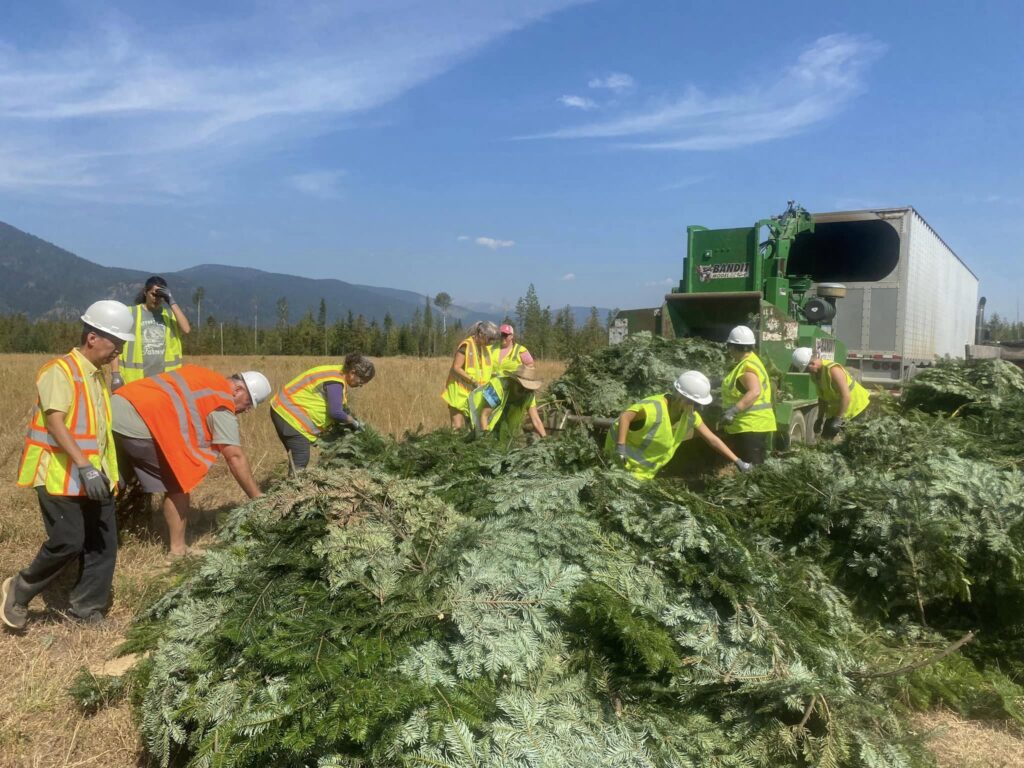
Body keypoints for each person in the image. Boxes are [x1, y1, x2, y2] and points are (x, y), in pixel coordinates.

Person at [2, 300, 135, 630]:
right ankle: (18, 590)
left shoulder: (97, 376)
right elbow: (56, 423)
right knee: (68, 542)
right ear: (92, 337)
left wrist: (105, 472)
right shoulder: (58, 372)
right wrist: (85, 466)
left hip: (94, 476)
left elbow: (99, 431)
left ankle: (86, 610)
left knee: (104, 544)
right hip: (59, 475)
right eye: (114, 344)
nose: (116, 352)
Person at [111, 365, 271, 557]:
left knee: (111, 479)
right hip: (140, 422)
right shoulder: (221, 401)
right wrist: (257, 497)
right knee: (179, 483)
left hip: (114, 408)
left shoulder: (204, 375)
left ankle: (93, 532)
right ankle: (178, 551)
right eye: (248, 404)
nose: (246, 411)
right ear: (238, 390)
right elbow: (234, 456)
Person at [606, 371, 752, 480]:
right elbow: (625, 417)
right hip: (618, 468)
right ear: (681, 397)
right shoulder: (653, 407)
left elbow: (712, 439)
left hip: (643, 474)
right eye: (694, 403)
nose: (695, 407)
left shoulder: (690, 416)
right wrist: (620, 448)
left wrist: (738, 461)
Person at [270, 352, 377, 471]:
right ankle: (293, 488)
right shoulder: (335, 381)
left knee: (296, 458)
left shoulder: (336, 374)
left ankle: (289, 486)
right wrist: (354, 422)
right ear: (352, 373)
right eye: (361, 382)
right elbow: (335, 412)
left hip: (283, 411)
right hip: (289, 416)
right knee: (300, 460)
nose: (360, 386)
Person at [110, 275, 191, 390]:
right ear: (145, 292)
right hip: (135, 381)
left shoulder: (169, 315)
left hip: (165, 382)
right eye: (153, 294)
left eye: (161, 296)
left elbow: (186, 329)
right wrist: (115, 374)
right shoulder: (130, 313)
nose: (156, 299)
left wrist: (171, 300)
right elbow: (115, 345)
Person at [719, 325, 776, 465]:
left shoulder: (747, 367)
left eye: (730, 347)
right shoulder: (752, 361)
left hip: (750, 425)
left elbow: (754, 391)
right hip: (755, 425)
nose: (729, 351)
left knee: (752, 469)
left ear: (733, 347)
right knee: (753, 467)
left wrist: (733, 411)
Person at [791, 347, 871, 438]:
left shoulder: (833, 370)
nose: (808, 372)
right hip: (839, 408)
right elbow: (822, 398)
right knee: (826, 437)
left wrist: (838, 419)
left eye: (807, 369)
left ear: (812, 364)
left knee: (854, 440)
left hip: (856, 406)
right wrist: (820, 418)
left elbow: (846, 396)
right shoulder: (815, 375)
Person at [441, 320, 498, 429]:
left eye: (493, 340)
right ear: (481, 334)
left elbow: (485, 369)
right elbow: (456, 368)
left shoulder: (484, 349)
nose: (491, 342)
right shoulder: (466, 346)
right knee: (457, 426)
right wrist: (472, 381)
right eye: (490, 339)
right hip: (458, 392)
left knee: (472, 427)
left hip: (474, 393)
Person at [468, 365, 547, 440]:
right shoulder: (498, 387)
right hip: (476, 412)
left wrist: (545, 439)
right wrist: (485, 438)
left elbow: (536, 420)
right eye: (521, 389)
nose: (524, 393)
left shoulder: (528, 394)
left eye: (528, 390)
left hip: (499, 421)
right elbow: (484, 415)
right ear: (513, 382)